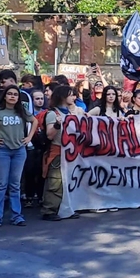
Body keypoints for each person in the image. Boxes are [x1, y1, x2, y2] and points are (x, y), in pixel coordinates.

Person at [0, 85, 36, 228]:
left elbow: (35, 121)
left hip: (19, 151)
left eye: (15, 94)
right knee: (0, 185)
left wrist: (29, 137)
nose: (12, 96)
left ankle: (17, 216)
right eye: (9, 94)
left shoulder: (21, 110)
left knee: (15, 185)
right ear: (5, 96)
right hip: (1, 151)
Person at [41, 85, 83, 221]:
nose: (73, 97)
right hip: (58, 152)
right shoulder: (53, 114)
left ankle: (65, 209)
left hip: (69, 153)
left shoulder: (70, 114)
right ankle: (49, 210)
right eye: (70, 95)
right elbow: (49, 135)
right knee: (56, 182)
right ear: (63, 97)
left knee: (67, 182)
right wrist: (57, 125)